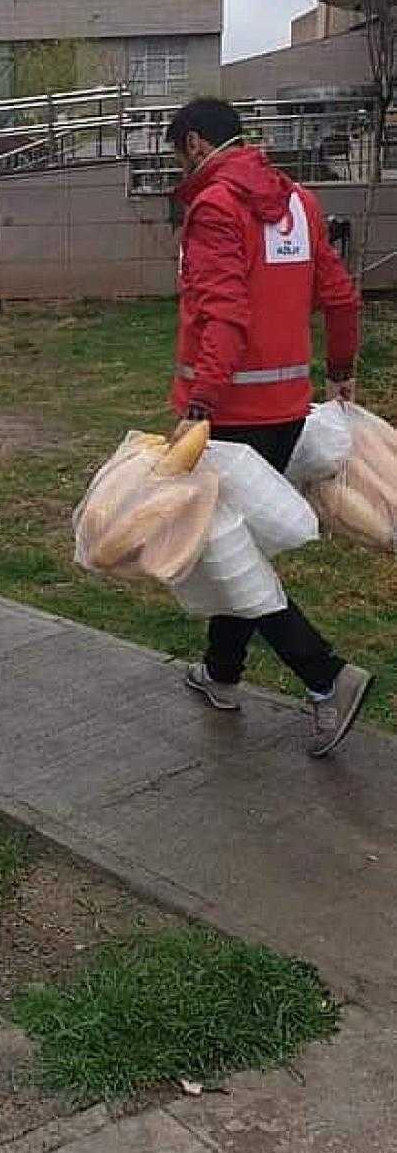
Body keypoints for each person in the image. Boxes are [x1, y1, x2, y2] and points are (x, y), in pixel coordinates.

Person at [166, 96, 372, 757]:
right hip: (286, 409)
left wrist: (199, 405)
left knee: (227, 555)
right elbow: (338, 293)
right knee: (235, 543)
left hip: (227, 416)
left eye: (179, 155)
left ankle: (327, 676)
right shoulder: (299, 204)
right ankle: (222, 674)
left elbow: (223, 315)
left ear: (195, 143)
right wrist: (341, 366)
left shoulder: (216, 208)